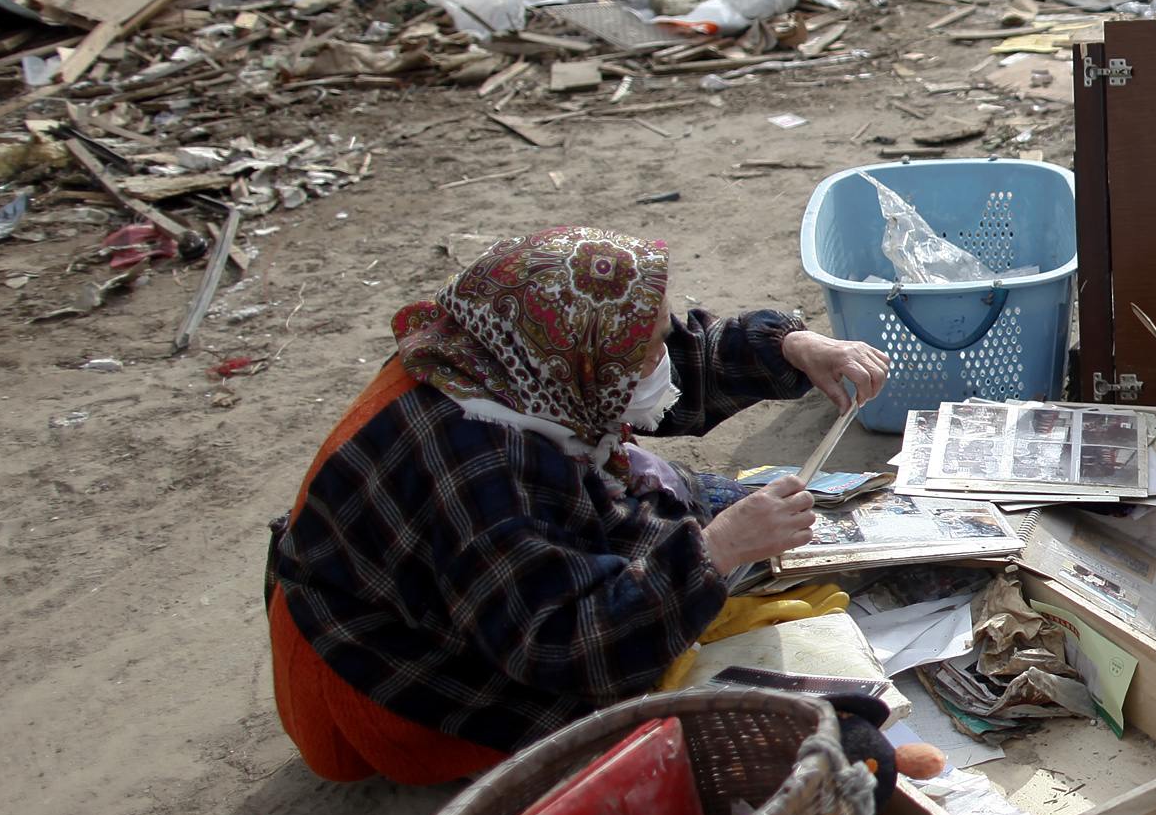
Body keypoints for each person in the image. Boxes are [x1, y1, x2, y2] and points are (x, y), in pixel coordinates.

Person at [263, 228, 888, 786]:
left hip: (494, 588)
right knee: (818, 749)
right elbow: (562, 645)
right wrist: (716, 552)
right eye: (643, 353)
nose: (660, 361)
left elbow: (671, 356)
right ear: (580, 362)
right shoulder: (473, 468)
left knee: (722, 520)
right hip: (401, 682)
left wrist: (793, 347)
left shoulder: (507, 351)